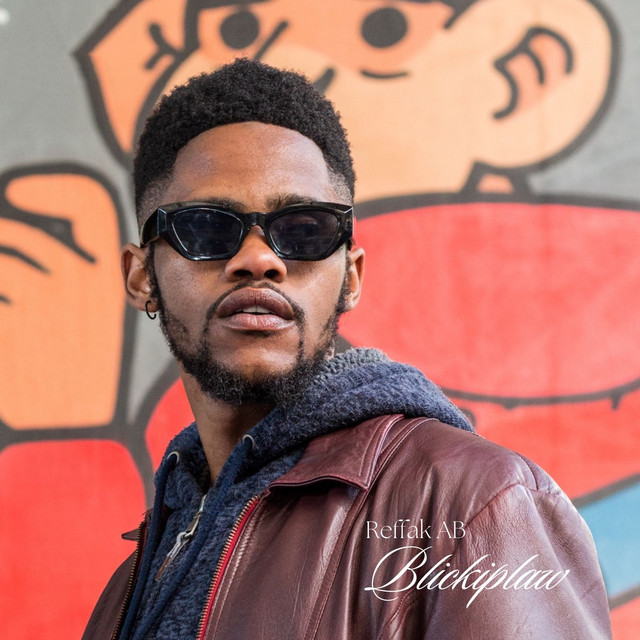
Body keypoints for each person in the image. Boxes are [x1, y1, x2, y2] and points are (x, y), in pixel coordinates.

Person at [83, 58, 611, 640]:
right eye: (208, 228)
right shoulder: (139, 580)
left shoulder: (474, 505)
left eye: (304, 229)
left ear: (351, 277)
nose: (259, 259)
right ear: (141, 276)